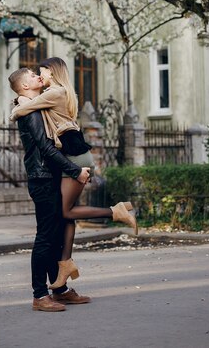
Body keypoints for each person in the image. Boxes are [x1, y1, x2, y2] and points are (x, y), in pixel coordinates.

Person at [10, 57, 137, 289]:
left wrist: (18, 102)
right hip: (58, 167)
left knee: (62, 217)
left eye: (43, 72)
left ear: (53, 72)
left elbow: (29, 114)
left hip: (68, 162)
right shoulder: (48, 101)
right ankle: (56, 280)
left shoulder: (49, 95)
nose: (40, 75)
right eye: (34, 74)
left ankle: (114, 212)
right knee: (58, 224)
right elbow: (44, 142)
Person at [8, 67, 92, 312]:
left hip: (50, 176)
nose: (38, 77)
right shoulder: (30, 112)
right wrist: (75, 170)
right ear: (25, 86)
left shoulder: (36, 106)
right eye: (33, 76)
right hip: (42, 178)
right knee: (45, 237)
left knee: (54, 236)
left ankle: (60, 289)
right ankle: (39, 295)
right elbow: (46, 148)